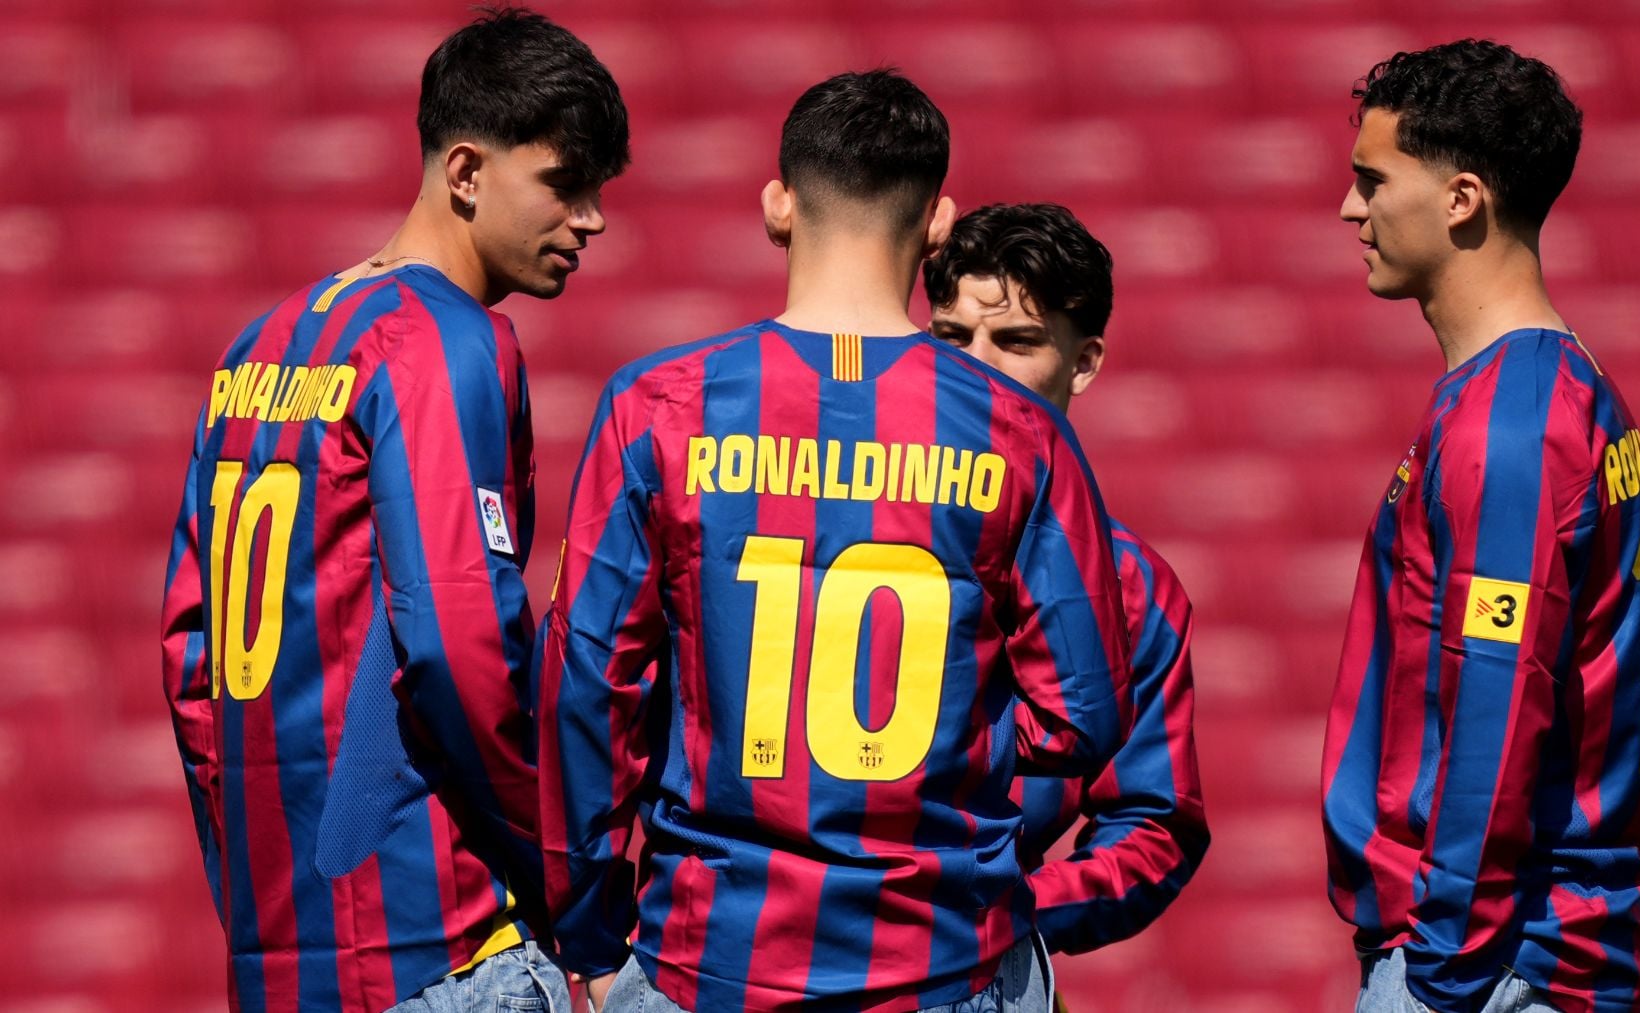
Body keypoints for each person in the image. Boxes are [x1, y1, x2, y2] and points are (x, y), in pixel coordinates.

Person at [536, 70, 1134, 1013]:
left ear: (779, 205)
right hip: (940, 957)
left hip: (711, 953)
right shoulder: (1018, 429)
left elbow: (586, 687)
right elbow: (1085, 713)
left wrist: (593, 931)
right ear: (938, 224)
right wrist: (939, 745)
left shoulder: (660, 409)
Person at [158, 9, 629, 1010]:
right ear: (466, 171)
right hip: (442, 947)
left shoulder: (257, 348)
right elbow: (460, 647)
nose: (590, 217)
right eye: (564, 181)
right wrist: (559, 877)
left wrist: (261, 904)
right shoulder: (445, 342)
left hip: (286, 956)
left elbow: (191, 663)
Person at [1320, 40, 1640, 1013]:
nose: (1352, 209)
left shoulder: (1509, 425)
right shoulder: (1564, 387)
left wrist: (1439, 971)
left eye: (1372, 181)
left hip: (1491, 966)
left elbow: (1498, 706)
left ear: (1462, 198)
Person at [924, 203, 1209, 960]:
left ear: (1083, 362)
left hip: (974, 969)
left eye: (1015, 341)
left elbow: (1154, 823)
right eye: (951, 337)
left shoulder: (1130, 588)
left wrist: (1010, 912)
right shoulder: (810, 518)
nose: (975, 366)